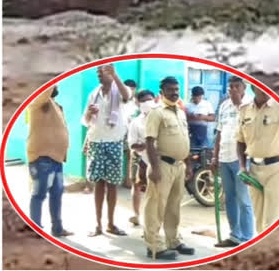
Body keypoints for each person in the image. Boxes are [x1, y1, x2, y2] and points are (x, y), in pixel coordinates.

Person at [143, 76, 195, 260]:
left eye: (176, 89)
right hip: (162, 165)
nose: (174, 92)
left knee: (174, 206)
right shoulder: (156, 112)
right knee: (156, 206)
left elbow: (184, 140)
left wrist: (187, 164)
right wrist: (155, 168)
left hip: (179, 166)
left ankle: (173, 240)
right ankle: (154, 246)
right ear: (162, 91)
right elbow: (149, 141)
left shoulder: (180, 112)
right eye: (170, 89)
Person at [236, 82, 279, 234]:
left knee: (273, 221)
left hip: (278, 169)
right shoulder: (245, 110)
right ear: (253, 87)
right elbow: (240, 141)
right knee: (259, 221)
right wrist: (242, 167)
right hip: (254, 170)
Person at [81, 64, 131, 237]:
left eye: (103, 73)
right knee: (98, 184)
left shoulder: (119, 91)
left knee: (113, 185)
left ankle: (111, 223)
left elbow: (127, 96)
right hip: (96, 141)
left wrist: (115, 75)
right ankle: (98, 225)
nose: (100, 76)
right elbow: (86, 122)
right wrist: (88, 113)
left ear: (111, 73)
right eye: (98, 74)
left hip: (114, 142)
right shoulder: (93, 95)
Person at [211, 77, 254, 247]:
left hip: (241, 159)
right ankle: (235, 235)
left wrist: (238, 104)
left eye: (237, 86)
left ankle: (247, 238)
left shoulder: (250, 105)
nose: (233, 90)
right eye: (231, 87)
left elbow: (249, 132)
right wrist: (215, 156)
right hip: (224, 158)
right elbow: (219, 133)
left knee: (243, 199)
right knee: (229, 199)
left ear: (244, 88)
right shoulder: (223, 106)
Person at [26, 85, 73, 237]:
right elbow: (45, 89)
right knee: (39, 195)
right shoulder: (37, 100)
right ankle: (36, 230)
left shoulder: (53, 104)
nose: (56, 85)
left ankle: (57, 229)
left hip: (57, 159)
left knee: (56, 195)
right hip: (42, 157)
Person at [127, 90, 157, 227]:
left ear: (155, 99)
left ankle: (153, 218)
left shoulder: (160, 117)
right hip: (140, 157)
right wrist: (146, 145)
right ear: (138, 103)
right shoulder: (136, 122)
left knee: (155, 189)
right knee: (137, 184)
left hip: (157, 158)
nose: (147, 103)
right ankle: (136, 214)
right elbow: (132, 144)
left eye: (149, 99)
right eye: (143, 101)